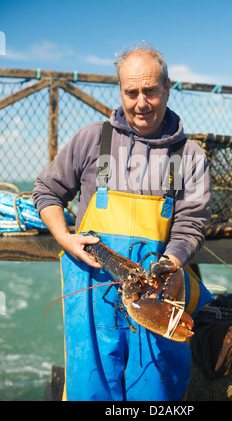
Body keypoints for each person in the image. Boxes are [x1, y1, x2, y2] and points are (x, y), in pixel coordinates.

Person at [32, 42, 213, 401]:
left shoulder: (190, 157)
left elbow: (191, 225)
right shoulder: (90, 140)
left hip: (156, 293)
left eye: (150, 91)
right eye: (131, 92)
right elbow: (46, 191)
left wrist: (171, 262)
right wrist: (64, 237)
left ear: (167, 88)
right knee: (90, 389)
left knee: (154, 391)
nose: (141, 103)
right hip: (91, 293)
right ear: (120, 91)